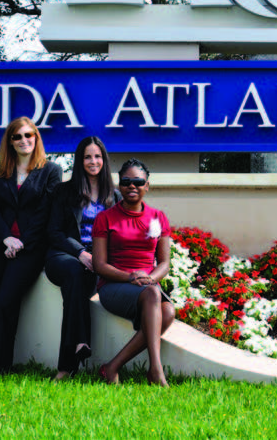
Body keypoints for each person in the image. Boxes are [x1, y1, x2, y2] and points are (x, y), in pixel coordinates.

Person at [0, 117, 62, 374]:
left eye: (29, 135)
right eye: (17, 137)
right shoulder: (1, 172)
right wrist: (6, 238)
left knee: (6, 302)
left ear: (36, 138)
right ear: (10, 142)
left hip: (30, 249)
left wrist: (22, 242)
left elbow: (45, 213)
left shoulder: (51, 171)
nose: (23, 140)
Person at [93, 158, 175, 386]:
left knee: (167, 313)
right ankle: (156, 371)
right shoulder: (105, 218)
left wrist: (150, 278)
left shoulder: (158, 217)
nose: (132, 186)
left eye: (138, 182)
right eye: (126, 181)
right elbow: (100, 266)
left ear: (147, 186)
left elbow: (164, 263)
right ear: (119, 186)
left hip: (147, 285)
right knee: (152, 294)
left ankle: (112, 367)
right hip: (113, 286)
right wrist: (130, 276)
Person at [45, 136, 118, 380]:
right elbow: (53, 231)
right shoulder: (64, 191)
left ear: (104, 160)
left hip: (97, 258)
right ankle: (80, 343)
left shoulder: (114, 197)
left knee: (79, 282)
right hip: (64, 254)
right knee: (76, 272)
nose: (93, 161)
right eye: (87, 156)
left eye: (97, 156)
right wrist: (79, 252)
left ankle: (67, 365)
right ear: (80, 160)